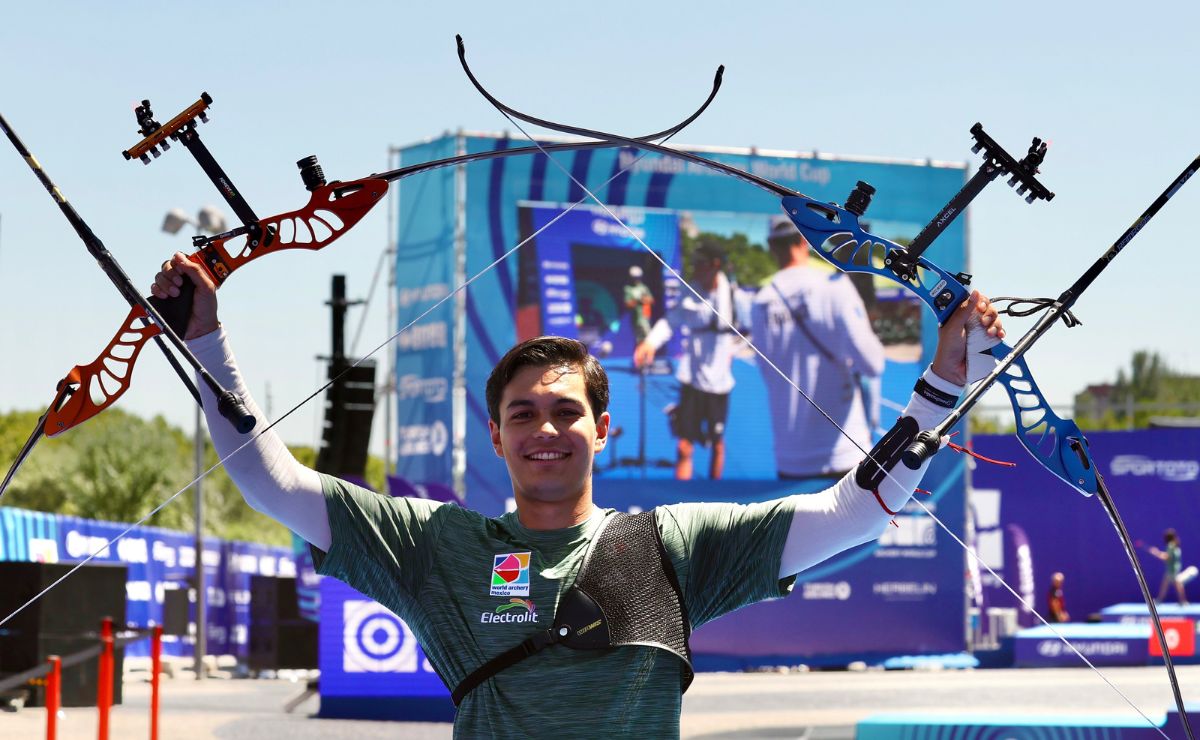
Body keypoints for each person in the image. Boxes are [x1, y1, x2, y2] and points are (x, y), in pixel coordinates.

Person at [152, 252, 1004, 738]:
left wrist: (942, 383)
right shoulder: (437, 546)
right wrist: (206, 341)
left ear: (604, 431)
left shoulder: (671, 546)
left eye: (567, 412)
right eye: (522, 414)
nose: (545, 429)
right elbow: (270, 480)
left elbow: (852, 512)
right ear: (497, 438)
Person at [751, 216, 886, 480]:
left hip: (791, 457)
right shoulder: (834, 287)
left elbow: (767, 372)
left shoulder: (760, 302)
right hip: (846, 452)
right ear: (805, 240)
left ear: (771, 246)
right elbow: (873, 364)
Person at [632, 241, 741, 480]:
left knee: (717, 445)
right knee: (683, 446)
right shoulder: (691, 291)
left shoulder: (734, 295)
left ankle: (716, 493)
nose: (695, 268)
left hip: (719, 386)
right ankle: (681, 497)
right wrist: (650, 342)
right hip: (691, 382)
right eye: (694, 263)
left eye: (700, 264)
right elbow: (671, 320)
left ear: (715, 265)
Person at [1149, 529, 1189, 605]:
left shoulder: (1171, 545)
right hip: (1174, 568)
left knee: (1174, 584)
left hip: (1172, 569)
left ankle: (1183, 601)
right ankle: (1182, 601)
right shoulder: (1175, 544)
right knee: (1171, 584)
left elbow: (1167, 557)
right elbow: (1169, 555)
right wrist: (1158, 553)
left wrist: (1156, 553)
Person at [623, 265, 655, 343]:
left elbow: (651, 300)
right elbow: (627, 304)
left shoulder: (644, 288)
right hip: (636, 319)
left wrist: (644, 299)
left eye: (638, 277)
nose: (637, 279)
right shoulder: (628, 288)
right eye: (635, 277)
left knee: (649, 340)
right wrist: (637, 301)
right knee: (639, 341)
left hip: (646, 318)